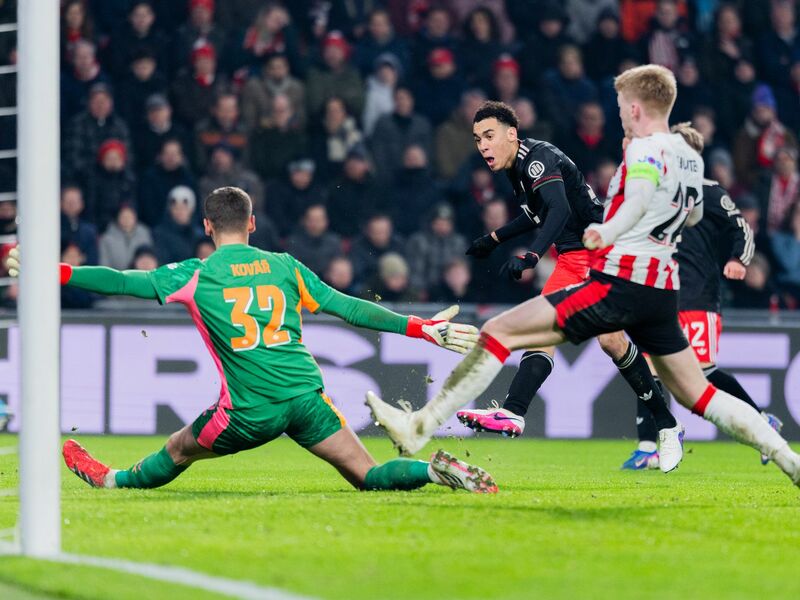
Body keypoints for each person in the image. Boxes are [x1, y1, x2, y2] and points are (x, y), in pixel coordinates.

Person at [366, 65, 800, 491]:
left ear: (635, 108)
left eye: (620, 105)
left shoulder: (641, 150)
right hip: (660, 286)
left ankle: (427, 426)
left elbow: (627, 201)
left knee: (500, 331)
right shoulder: (687, 158)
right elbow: (694, 214)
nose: (618, 113)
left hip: (611, 272)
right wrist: (498, 237)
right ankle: (781, 457)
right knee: (697, 392)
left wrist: (606, 232)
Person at [6, 187, 495, 494]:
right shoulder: (285, 265)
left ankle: (110, 480)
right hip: (306, 397)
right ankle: (432, 470)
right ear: (252, 224)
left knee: (178, 448)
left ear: (207, 227)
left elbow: (120, 280)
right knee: (369, 476)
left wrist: (55, 270)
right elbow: (349, 307)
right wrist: (420, 327)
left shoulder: (196, 273)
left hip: (248, 411)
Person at [454, 101, 680, 474]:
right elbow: (536, 213)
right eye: (478, 139)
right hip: (574, 258)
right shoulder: (517, 169)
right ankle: (513, 412)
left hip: (603, 251)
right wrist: (493, 239)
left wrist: (531, 256)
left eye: (489, 136)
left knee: (611, 342)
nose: (483, 145)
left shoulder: (537, 159)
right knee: (541, 329)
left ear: (512, 133)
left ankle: (667, 426)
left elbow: (558, 210)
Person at [623, 122, 781, 469]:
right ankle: (648, 445)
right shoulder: (655, 190)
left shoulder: (709, 192)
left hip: (697, 298)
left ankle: (761, 421)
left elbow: (741, 228)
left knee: (703, 373)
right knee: (647, 367)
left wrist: (738, 259)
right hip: (659, 293)